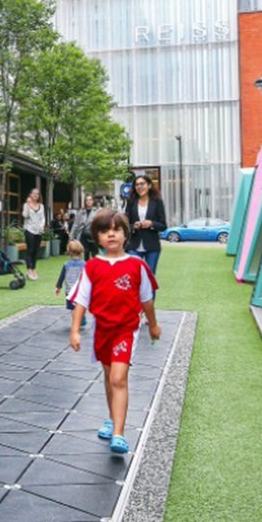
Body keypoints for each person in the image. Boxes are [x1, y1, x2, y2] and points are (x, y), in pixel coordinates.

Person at [68, 209, 161, 455]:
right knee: (109, 376)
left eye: (116, 229)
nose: (111, 234)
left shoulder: (136, 265)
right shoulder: (92, 267)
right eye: (105, 230)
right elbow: (81, 300)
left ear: (125, 235)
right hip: (102, 330)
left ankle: (119, 433)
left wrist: (152, 324)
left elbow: (147, 300)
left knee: (119, 378)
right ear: (97, 237)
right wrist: (75, 330)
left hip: (126, 330)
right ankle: (111, 417)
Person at [124, 173, 167, 274]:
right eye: (137, 184)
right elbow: (125, 224)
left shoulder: (157, 202)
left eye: (142, 184)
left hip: (152, 246)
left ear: (149, 185)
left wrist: (151, 224)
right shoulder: (131, 202)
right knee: (134, 275)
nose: (139, 187)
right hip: (134, 245)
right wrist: (133, 226)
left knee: (150, 277)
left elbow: (163, 225)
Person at [55, 240, 88, 327]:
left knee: (73, 308)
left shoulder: (66, 265)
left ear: (69, 252)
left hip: (69, 291)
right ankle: (81, 317)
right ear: (81, 252)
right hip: (81, 291)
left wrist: (58, 287)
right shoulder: (84, 264)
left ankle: (76, 322)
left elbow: (61, 277)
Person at [22, 188, 47, 280]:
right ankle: (29, 270)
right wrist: (28, 205)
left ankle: (34, 269)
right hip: (29, 229)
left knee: (36, 251)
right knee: (30, 250)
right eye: (33, 193)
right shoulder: (26, 205)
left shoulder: (41, 206)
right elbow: (25, 215)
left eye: (37, 194)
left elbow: (43, 218)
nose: (35, 195)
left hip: (38, 231)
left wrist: (42, 226)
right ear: (30, 195)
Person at [72, 195, 100, 260]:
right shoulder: (81, 212)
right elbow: (76, 224)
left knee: (95, 254)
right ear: (85, 202)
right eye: (87, 200)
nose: (89, 201)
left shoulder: (97, 212)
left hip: (93, 235)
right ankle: (87, 268)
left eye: (90, 200)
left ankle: (96, 268)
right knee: (85, 253)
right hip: (83, 235)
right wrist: (71, 236)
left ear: (93, 201)